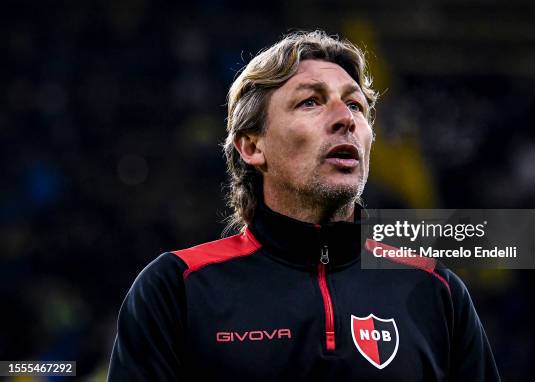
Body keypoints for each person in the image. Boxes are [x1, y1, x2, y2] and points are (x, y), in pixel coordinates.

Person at [108, 30, 500, 381]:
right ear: (252, 145)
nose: (345, 119)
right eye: (311, 102)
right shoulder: (177, 288)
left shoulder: (438, 291)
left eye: (356, 106)